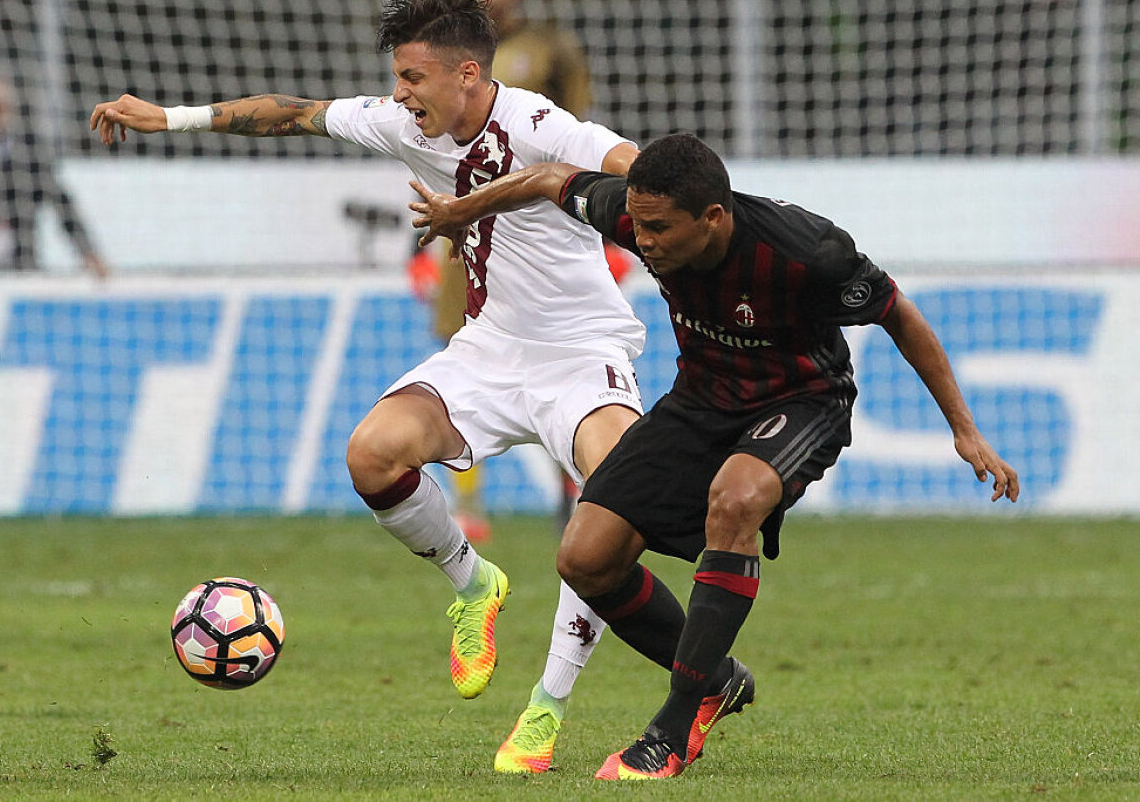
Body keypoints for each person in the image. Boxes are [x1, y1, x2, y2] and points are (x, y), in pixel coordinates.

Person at [90, 0, 646, 775]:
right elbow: (290, 112)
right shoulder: (403, 123)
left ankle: (544, 712)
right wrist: (168, 117)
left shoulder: (535, 121)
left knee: (607, 514)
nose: (399, 93)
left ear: (464, 73)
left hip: (581, 355)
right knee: (371, 454)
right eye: (396, 76)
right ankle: (473, 583)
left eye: (413, 77)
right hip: (489, 350)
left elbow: (625, 160)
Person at [409, 132, 1021, 780]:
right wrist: (459, 211)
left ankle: (669, 731)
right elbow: (548, 176)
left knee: (736, 498)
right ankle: (716, 679)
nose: (643, 240)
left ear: (714, 218)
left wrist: (964, 428)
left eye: (660, 228)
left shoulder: (806, 252)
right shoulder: (633, 212)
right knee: (585, 558)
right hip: (702, 401)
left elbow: (900, 316)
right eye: (637, 224)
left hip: (804, 400)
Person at [407, 0, 601, 540]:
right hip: (466, 227)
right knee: (461, 351)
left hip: (539, 239)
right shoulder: (441, 58)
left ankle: (573, 488)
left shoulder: (550, 47)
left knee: (552, 371)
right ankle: (469, 506)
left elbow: (579, 135)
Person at [0, 74, 107, 277]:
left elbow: (63, 206)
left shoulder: (30, 154)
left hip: (22, 269)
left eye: (2, 108)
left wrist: (89, 254)